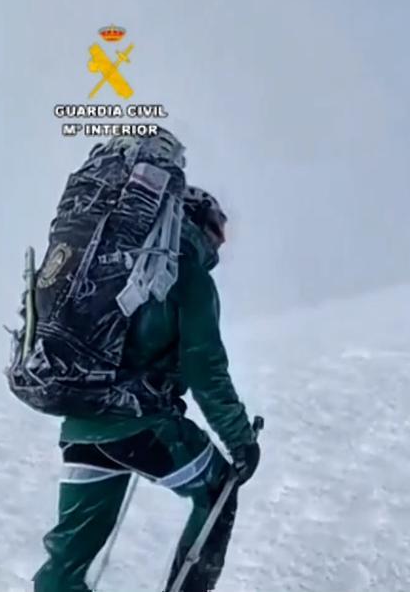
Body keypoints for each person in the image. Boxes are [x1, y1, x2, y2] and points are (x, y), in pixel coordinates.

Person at [31, 184, 261, 592]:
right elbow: (205, 367)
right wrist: (241, 442)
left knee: (67, 561)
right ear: (194, 221)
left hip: (81, 425)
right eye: (217, 230)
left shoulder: (113, 264)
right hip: (140, 426)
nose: (219, 244)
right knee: (217, 490)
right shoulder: (186, 273)